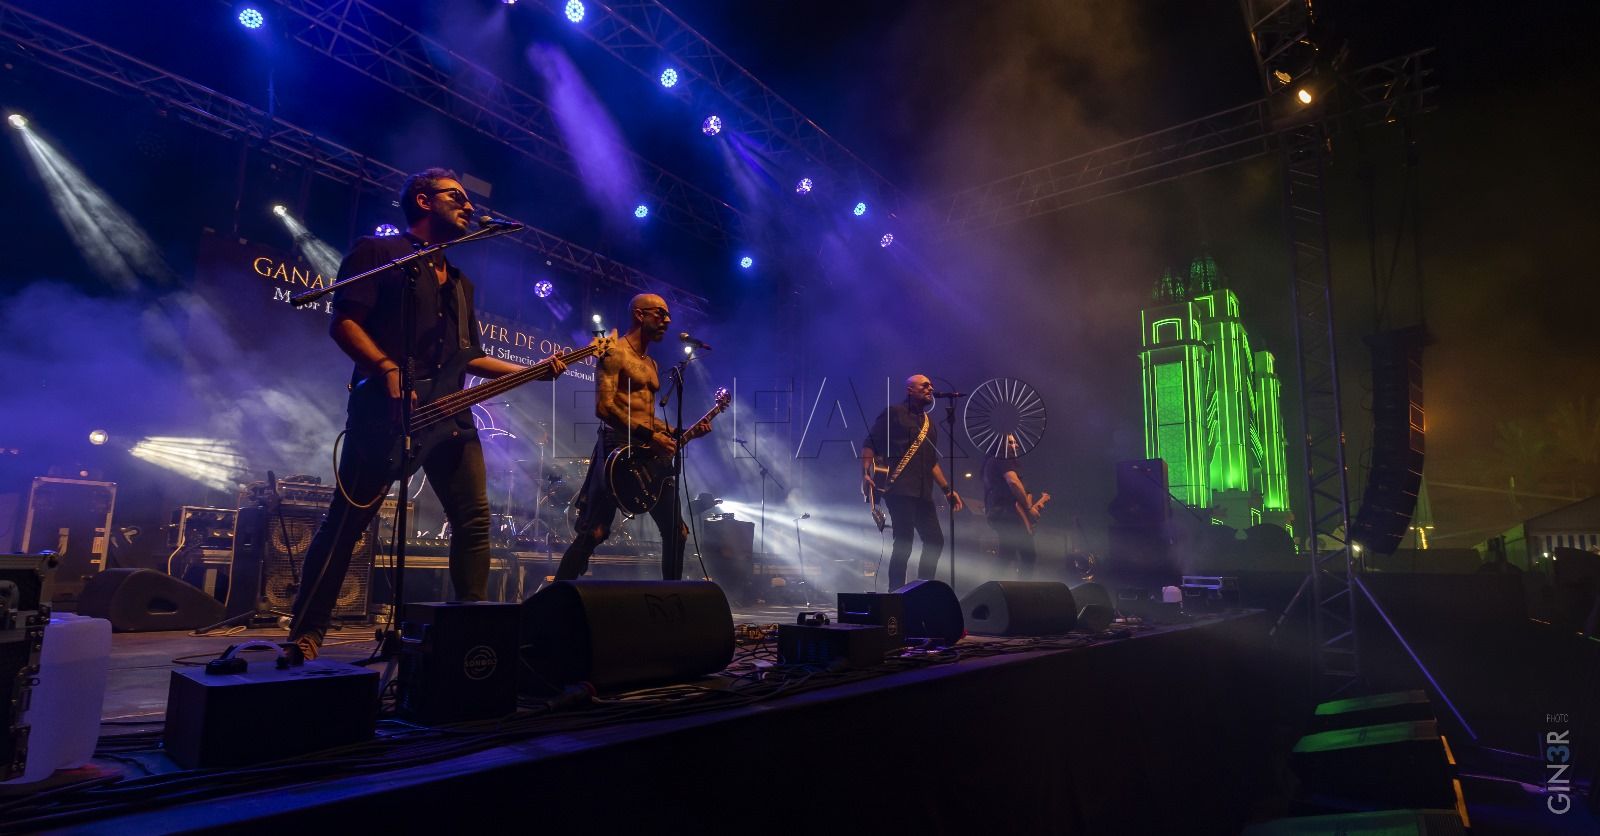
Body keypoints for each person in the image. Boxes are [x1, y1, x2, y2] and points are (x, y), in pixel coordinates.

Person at [287, 168, 566, 661]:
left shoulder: (460, 283)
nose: (467, 206)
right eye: (456, 197)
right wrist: (384, 366)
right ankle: (307, 633)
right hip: (385, 410)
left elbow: (467, 356)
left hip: (451, 418)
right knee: (347, 523)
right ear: (422, 200)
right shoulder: (377, 253)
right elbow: (344, 321)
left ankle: (470, 633)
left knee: (474, 521)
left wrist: (531, 370)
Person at [554, 294, 711, 582]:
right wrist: (651, 436)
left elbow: (645, 416)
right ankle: (555, 601)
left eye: (667, 315)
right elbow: (604, 408)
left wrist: (673, 431)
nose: (667, 320)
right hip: (616, 450)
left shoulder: (650, 363)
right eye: (660, 314)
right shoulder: (614, 352)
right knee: (594, 532)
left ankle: (670, 603)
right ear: (640, 315)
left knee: (677, 532)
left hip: (648, 454)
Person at [861, 374, 964, 590]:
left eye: (931, 385)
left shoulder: (930, 424)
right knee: (904, 542)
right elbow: (869, 443)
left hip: (923, 492)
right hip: (899, 489)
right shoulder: (894, 413)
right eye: (925, 385)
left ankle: (922, 590)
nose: (930, 388)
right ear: (910, 390)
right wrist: (865, 473)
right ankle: (896, 592)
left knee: (935, 540)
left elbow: (932, 462)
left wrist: (947, 489)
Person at [983, 434, 1042, 578]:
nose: (1016, 445)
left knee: (1010, 554)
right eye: (1011, 442)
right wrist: (1028, 508)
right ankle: (1021, 592)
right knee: (1026, 555)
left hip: (1003, 513)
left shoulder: (993, 461)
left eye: (1015, 442)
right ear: (1000, 445)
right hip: (1007, 513)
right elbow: (1013, 482)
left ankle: (997, 588)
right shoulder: (1002, 459)